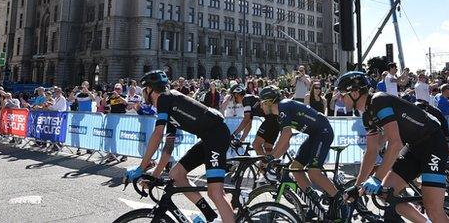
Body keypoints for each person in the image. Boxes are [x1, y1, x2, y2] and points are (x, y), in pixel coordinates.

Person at [336, 71, 449, 223]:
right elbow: (371, 151)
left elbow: (395, 143)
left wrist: (376, 178)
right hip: (414, 147)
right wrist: (357, 187)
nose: (339, 98)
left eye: (342, 94)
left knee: (433, 209)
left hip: (433, 145)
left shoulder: (379, 101)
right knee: (385, 193)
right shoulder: (367, 116)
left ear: (355, 93)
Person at [127, 71, 235, 223]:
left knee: (215, 192)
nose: (143, 94)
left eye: (144, 89)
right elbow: (168, 148)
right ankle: (210, 215)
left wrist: (141, 168)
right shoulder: (168, 105)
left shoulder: (165, 98)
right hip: (208, 138)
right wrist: (154, 175)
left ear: (150, 89)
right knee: (176, 174)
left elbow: (157, 135)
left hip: (216, 136)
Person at [259, 85, 342, 217]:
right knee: (296, 168)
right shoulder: (280, 113)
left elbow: (286, 134)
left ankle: (341, 202)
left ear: (268, 102)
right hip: (314, 135)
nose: (260, 107)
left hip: (323, 132)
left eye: (261, 103)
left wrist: (270, 157)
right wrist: (273, 159)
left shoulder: (283, 106)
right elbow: (285, 144)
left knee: (313, 172)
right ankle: (314, 204)